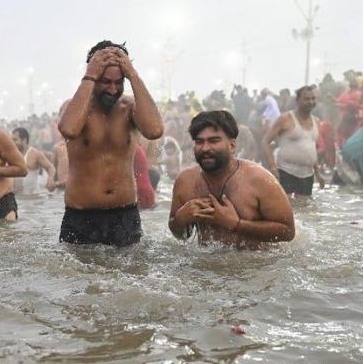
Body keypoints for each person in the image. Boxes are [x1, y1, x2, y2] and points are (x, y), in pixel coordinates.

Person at [57, 40, 163, 246]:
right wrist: (89, 75)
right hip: (81, 216)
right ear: (93, 76)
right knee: (78, 278)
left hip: (124, 215)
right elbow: (68, 130)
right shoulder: (74, 108)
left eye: (119, 82)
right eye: (105, 81)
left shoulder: (129, 107)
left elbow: (154, 130)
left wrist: (133, 75)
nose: (113, 90)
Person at [169, 111, 294, 249]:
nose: (205, 148)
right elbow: (182, 236)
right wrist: (180, 219)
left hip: (254, 265)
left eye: (214, 141)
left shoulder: (260, 180)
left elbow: (288, 232)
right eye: (199, 142)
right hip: (206, 264)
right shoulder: (185, 181)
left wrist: (237, 224)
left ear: (232, 145)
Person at [262, 86, 324, 197]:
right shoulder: (285, 119)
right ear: (297, 100)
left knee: (304, 209)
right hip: (286, 172)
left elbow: (311, 148)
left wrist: (318, 174)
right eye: (306, 99)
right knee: (286, 208)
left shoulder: (316, 121)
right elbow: (266, 141)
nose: (311, 102)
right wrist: (273, 168)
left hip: (307, 174)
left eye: (313, 98)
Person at [11, 127, 54, 195]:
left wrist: (50, 179)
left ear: (24, 140)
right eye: (12, 140)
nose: (12, 142)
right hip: (16, 197)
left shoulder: (35, 154)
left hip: (32, 199)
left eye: (15, 140)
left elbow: (50, 167)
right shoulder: (11, 154)